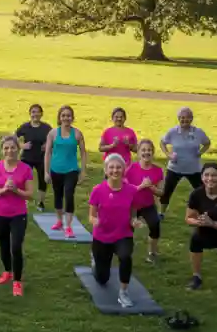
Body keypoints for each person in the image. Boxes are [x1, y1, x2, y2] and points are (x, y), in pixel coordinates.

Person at [89, 154, 144, 308]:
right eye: (111, 167)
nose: (115, 170)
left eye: (118, 167)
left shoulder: (132, 190)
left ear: (124, 169)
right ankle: (95, 261)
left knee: (126, 257)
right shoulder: (98, 190)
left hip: (123, 234)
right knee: (102, 278)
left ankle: (124, 292)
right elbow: (91, 215)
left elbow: (133, 213)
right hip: (102, 237)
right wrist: (95, 221)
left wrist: (135, 221)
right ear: (106, 170)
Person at [0, 136, 36, 296]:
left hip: (18, 214)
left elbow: (29, 195)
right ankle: (7, 271)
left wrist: (16, 190)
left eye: (13, 147)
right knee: (3, 244)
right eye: (6, 148)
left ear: (18, 149)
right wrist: (3, 190)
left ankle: (17, 281)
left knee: (15, 246)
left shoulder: (26, 169)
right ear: (2, 150)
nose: (9, 151)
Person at [159, 107, 211, 218]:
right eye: (182, 118)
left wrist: (200, 152)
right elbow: (162, 142)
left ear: (191, 119)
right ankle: (162, 213)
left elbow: (207, 143)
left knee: (202, 191)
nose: (184, 120)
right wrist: (168, 154)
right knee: (167, 191)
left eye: (187, 118)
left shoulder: (198, 132)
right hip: (175, 168)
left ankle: (205, 212)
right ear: (178, 118)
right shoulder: (173, 132)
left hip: (193, 169)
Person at [44, 105, 87, 239]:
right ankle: (59, 221)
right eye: (63, 115)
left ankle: (68, 226)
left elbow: (83, 153)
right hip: (56, 169)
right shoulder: (53, 133)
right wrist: (46, 171)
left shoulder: (78, 134)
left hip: (72, 170)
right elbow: (47, 153)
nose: (66, 118)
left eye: (68, 115)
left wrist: (83, 171)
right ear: (59, 118)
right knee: (58, 195)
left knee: (69, 195)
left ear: (72, 118)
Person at [125, 139, 165, 263]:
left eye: (149, 150)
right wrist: (140, 186)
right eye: (143, 150)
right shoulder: (131, 168)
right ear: (138, 152)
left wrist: (151, 187)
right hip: (131, 206)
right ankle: (125, 252)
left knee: (155, 225)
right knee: (126, 228)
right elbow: (124, 188)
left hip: (148, 205)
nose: (146, 152)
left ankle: (152, 252)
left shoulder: (158, 170)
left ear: (152, 152)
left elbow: (161, 192)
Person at [17, 104, 52, 212]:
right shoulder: (25, 127)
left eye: (37, 112)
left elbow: (54, 139)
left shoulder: (46, 128)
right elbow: (12, 138)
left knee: (43, 180)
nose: (35, 114)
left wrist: (47, 144)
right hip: (27, 157)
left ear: (41, 114)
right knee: (23, 179)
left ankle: (41, 202)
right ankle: (23, 201)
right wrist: (22, 146)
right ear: (30, 114)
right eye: (33, 112)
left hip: (41, 158)